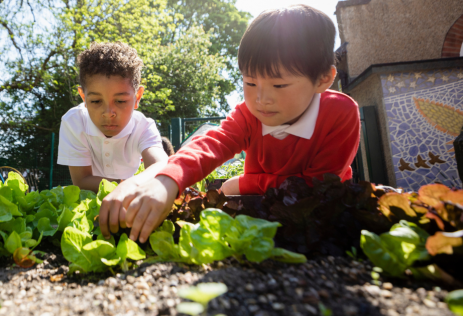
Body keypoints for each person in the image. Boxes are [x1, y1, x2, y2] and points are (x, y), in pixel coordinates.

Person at [98, 5, 361, 243]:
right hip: (261, 215)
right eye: (250, 83)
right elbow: (210, 145)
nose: (261, 99)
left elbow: (316, 188)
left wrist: (244, 184)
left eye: (279, 85)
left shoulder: (341, 114)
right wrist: (164, 181)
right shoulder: (249, 114)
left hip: (322, 222)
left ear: (323, 79)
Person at [57, 42, 169, 192]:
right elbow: (82, 181)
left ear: (137, 97)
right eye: (96, 101)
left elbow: (161, 165)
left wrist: (129, 186)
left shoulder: (144, 126)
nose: (108, 112)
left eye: (121, 101)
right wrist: (127, 185)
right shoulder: (74, 122)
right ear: (83, 97)